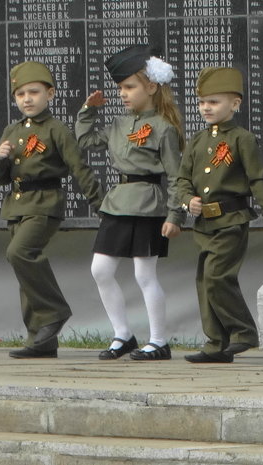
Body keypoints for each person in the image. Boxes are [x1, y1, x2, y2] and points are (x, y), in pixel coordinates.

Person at [77, 45, 187, 361]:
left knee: (144, 275)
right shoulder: (119, 124)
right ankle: (123, 334)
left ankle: (158, 340)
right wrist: (88, 110)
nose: (123, 94)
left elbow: (177, 176)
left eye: (130, 87)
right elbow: (85, 142)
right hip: (117, 203)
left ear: (151, 87)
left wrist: (175, 215)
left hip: (149, 205)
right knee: (100, 270)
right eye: (120, 88)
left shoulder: (164, 128)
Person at [173, 67, 263, 363]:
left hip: (231, 221)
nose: (206, 108)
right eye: (202, 103)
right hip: (204, 224)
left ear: (235, 104)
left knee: (216, 277)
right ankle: (216, 345)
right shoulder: (197, 141)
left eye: (214, 102)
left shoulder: (242, 139)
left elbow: (258, 181)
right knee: (204, 281)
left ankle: (243, 331)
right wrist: (188, 201)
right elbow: (182, 179)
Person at [0, 61, 101, 359]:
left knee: (20, 254)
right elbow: (1, 178)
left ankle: (54, 311)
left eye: (34, 92)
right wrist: (0, 159)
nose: (27, 99)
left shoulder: (56, 130)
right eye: (20, 94)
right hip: (16, 205)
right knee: (24, 272)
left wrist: (101, 204)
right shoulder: (12, 130)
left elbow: (79, 168)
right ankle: (39, 339)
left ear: (49, 94)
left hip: (44, 203)